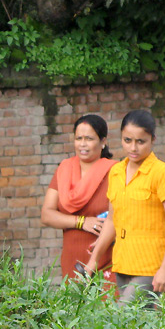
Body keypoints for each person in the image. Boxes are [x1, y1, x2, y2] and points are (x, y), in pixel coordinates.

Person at [83, 109, 165, 304]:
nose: (133, 148)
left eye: (141, 141)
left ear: (152, 140)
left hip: (151, 267)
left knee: (120, 317)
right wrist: (92, 262)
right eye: (127, 140)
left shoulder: (162, 173)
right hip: (122, 263)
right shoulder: (116, 172)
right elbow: (113, 220)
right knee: (136, 328)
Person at [41, 114, 116, 280]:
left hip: (107, 257)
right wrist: (82, 222)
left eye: (89, 138)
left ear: (103, 142)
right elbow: (47, 215)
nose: (82, 144)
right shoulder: (65, 169)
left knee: (109, 304)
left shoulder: (116, 172)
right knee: (75, 304)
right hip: (72, 257)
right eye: (78, 138)